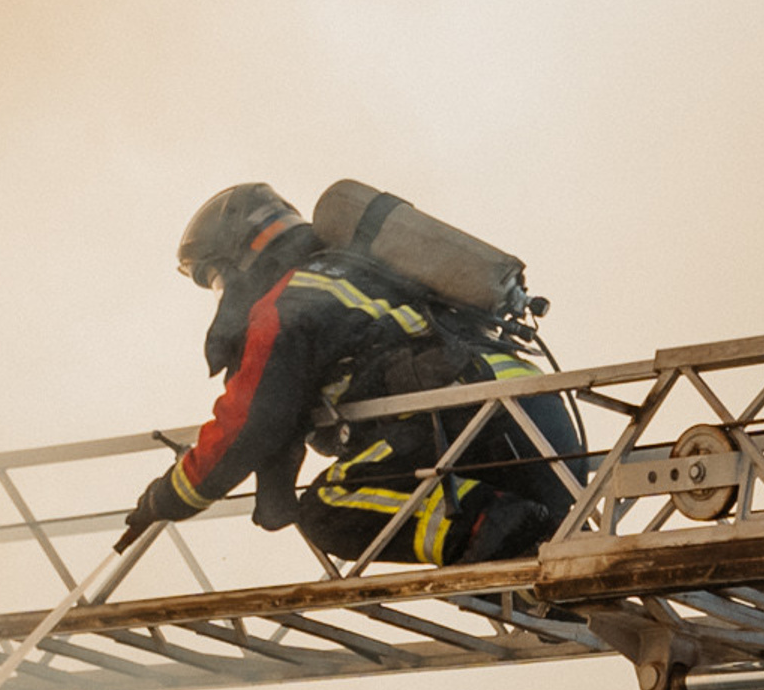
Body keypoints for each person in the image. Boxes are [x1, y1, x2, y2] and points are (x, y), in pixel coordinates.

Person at [121, 183, 580, 566]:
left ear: (240, 257)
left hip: (470, 427)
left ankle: (501, 529)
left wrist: (170, 496)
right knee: (431, 513)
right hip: (540, 425)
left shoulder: (286, 305)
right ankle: (527, 565)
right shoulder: (370, 273)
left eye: (216, 278)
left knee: (329, 510)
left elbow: (250, 422)